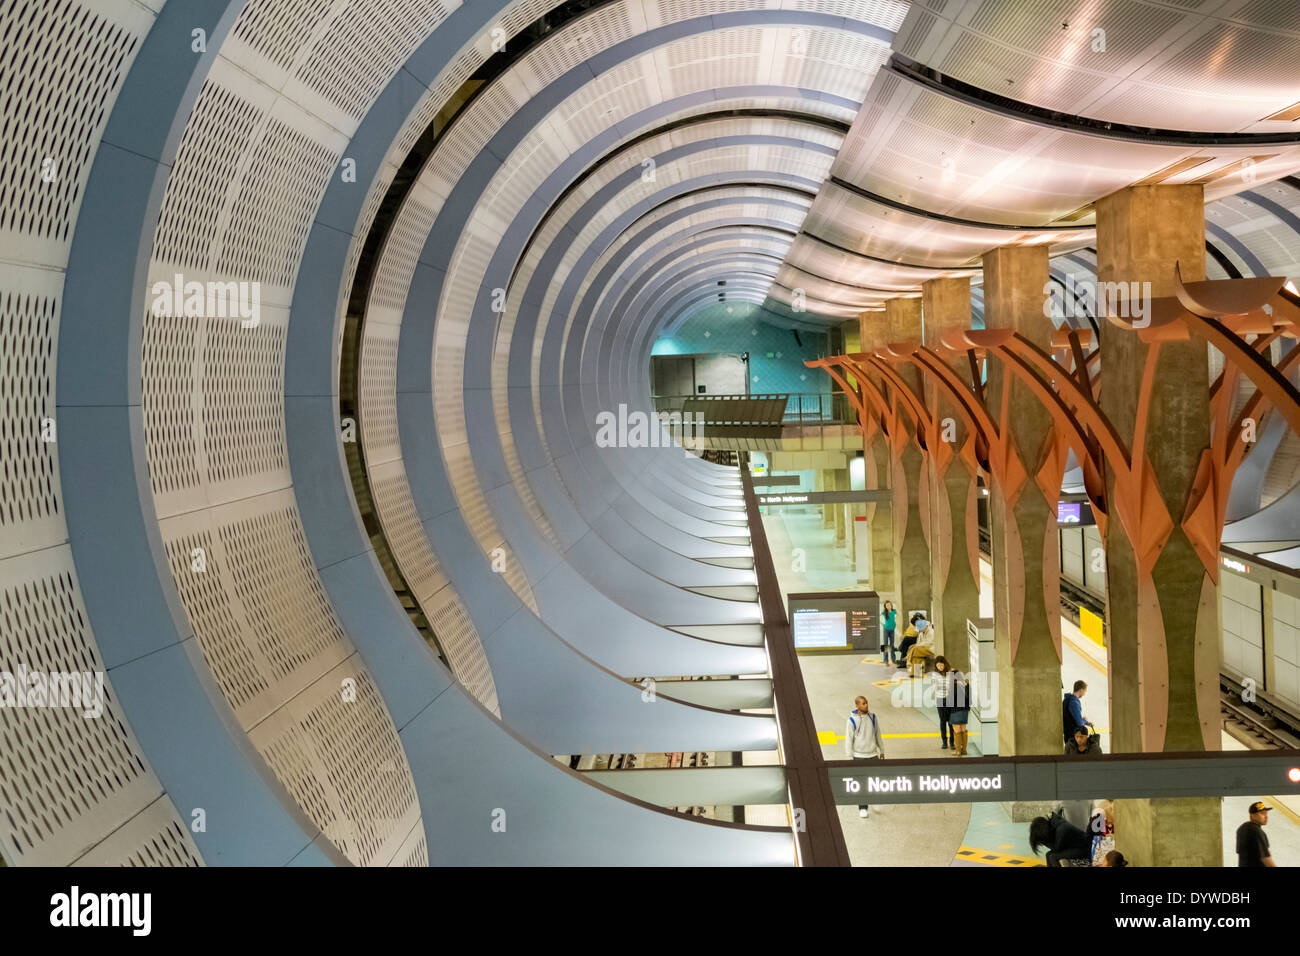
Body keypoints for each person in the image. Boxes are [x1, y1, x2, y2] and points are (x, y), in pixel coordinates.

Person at [844, 695, 886, 818]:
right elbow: (848, 740)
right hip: (858, 756)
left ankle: (875, 801)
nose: (866, 705)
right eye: (863, 703)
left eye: (866, 703)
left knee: (875, 780)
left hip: (872, 754)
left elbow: (878, 734)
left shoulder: (873, 718)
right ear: (857, 705)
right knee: (861, 782)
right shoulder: (851, 721)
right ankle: (863, 807)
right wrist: (849, 757)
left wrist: (881, 750)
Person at [1028, 808, 1092, 867]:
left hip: (1084, 849)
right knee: (1048, 854)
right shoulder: (1054, 825)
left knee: (1053, 857)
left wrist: (1045, 842)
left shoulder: (1061, 829)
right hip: (1075, 847)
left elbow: (1056, 848)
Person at [1236, 801, 1277, 867]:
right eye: (1262, 814)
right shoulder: (1256, 831)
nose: (1266, 817)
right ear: (1253, 816)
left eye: (1266, 814)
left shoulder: (1242, 828)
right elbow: (1265, 858)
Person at [932, 656, 955, 749]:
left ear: (945, 664)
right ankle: (944, 742)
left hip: (950, 699)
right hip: (940, 699)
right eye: (938, 666)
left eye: (941, 665)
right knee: (942, 721)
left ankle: (952, 742)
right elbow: (936, 688)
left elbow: (952, 686)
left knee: (951, 722)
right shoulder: (935, 675)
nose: (940, 667)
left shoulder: (950, 673)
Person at [947, 670, 971, 756]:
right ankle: (964, 750)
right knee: (963, 730)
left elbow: (950, 701)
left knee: (956, 730)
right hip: (965, 711)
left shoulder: (952, 687)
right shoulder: (966, 685)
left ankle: (958, 751)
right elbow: (970, 700)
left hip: (955, 711)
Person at [879, 601, 898, 665]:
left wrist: (895, 622)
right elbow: (878, 616)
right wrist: (882, 624)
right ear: (885, 607)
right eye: (887, 606)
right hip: (886, 630)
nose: (888, 606)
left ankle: (893, 660)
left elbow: (896, 617)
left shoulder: (894, 611)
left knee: (892, 645)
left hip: (892, 630)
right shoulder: (884, 612)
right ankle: (886, 660)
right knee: (886, 645)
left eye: (889, 605)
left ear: (891, 605)